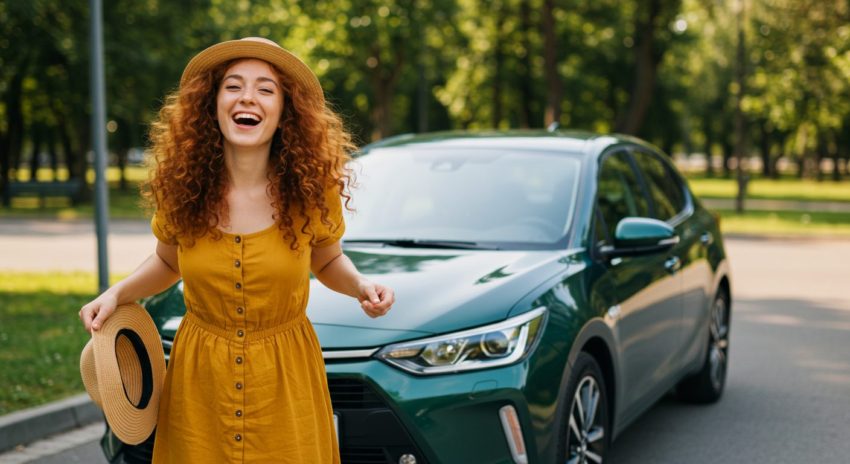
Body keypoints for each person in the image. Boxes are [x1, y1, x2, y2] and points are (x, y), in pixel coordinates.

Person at [78, 37, 395, 463]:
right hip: (199, 383)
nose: (248, 97)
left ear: (285, 112)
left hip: (285, 381)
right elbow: (166, 262)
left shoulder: (311, 192)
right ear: (212, 103)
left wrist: (360, 286)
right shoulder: (185, 191)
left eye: (266, 89)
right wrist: (118, 294)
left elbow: (328, 259)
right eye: (233, 86)